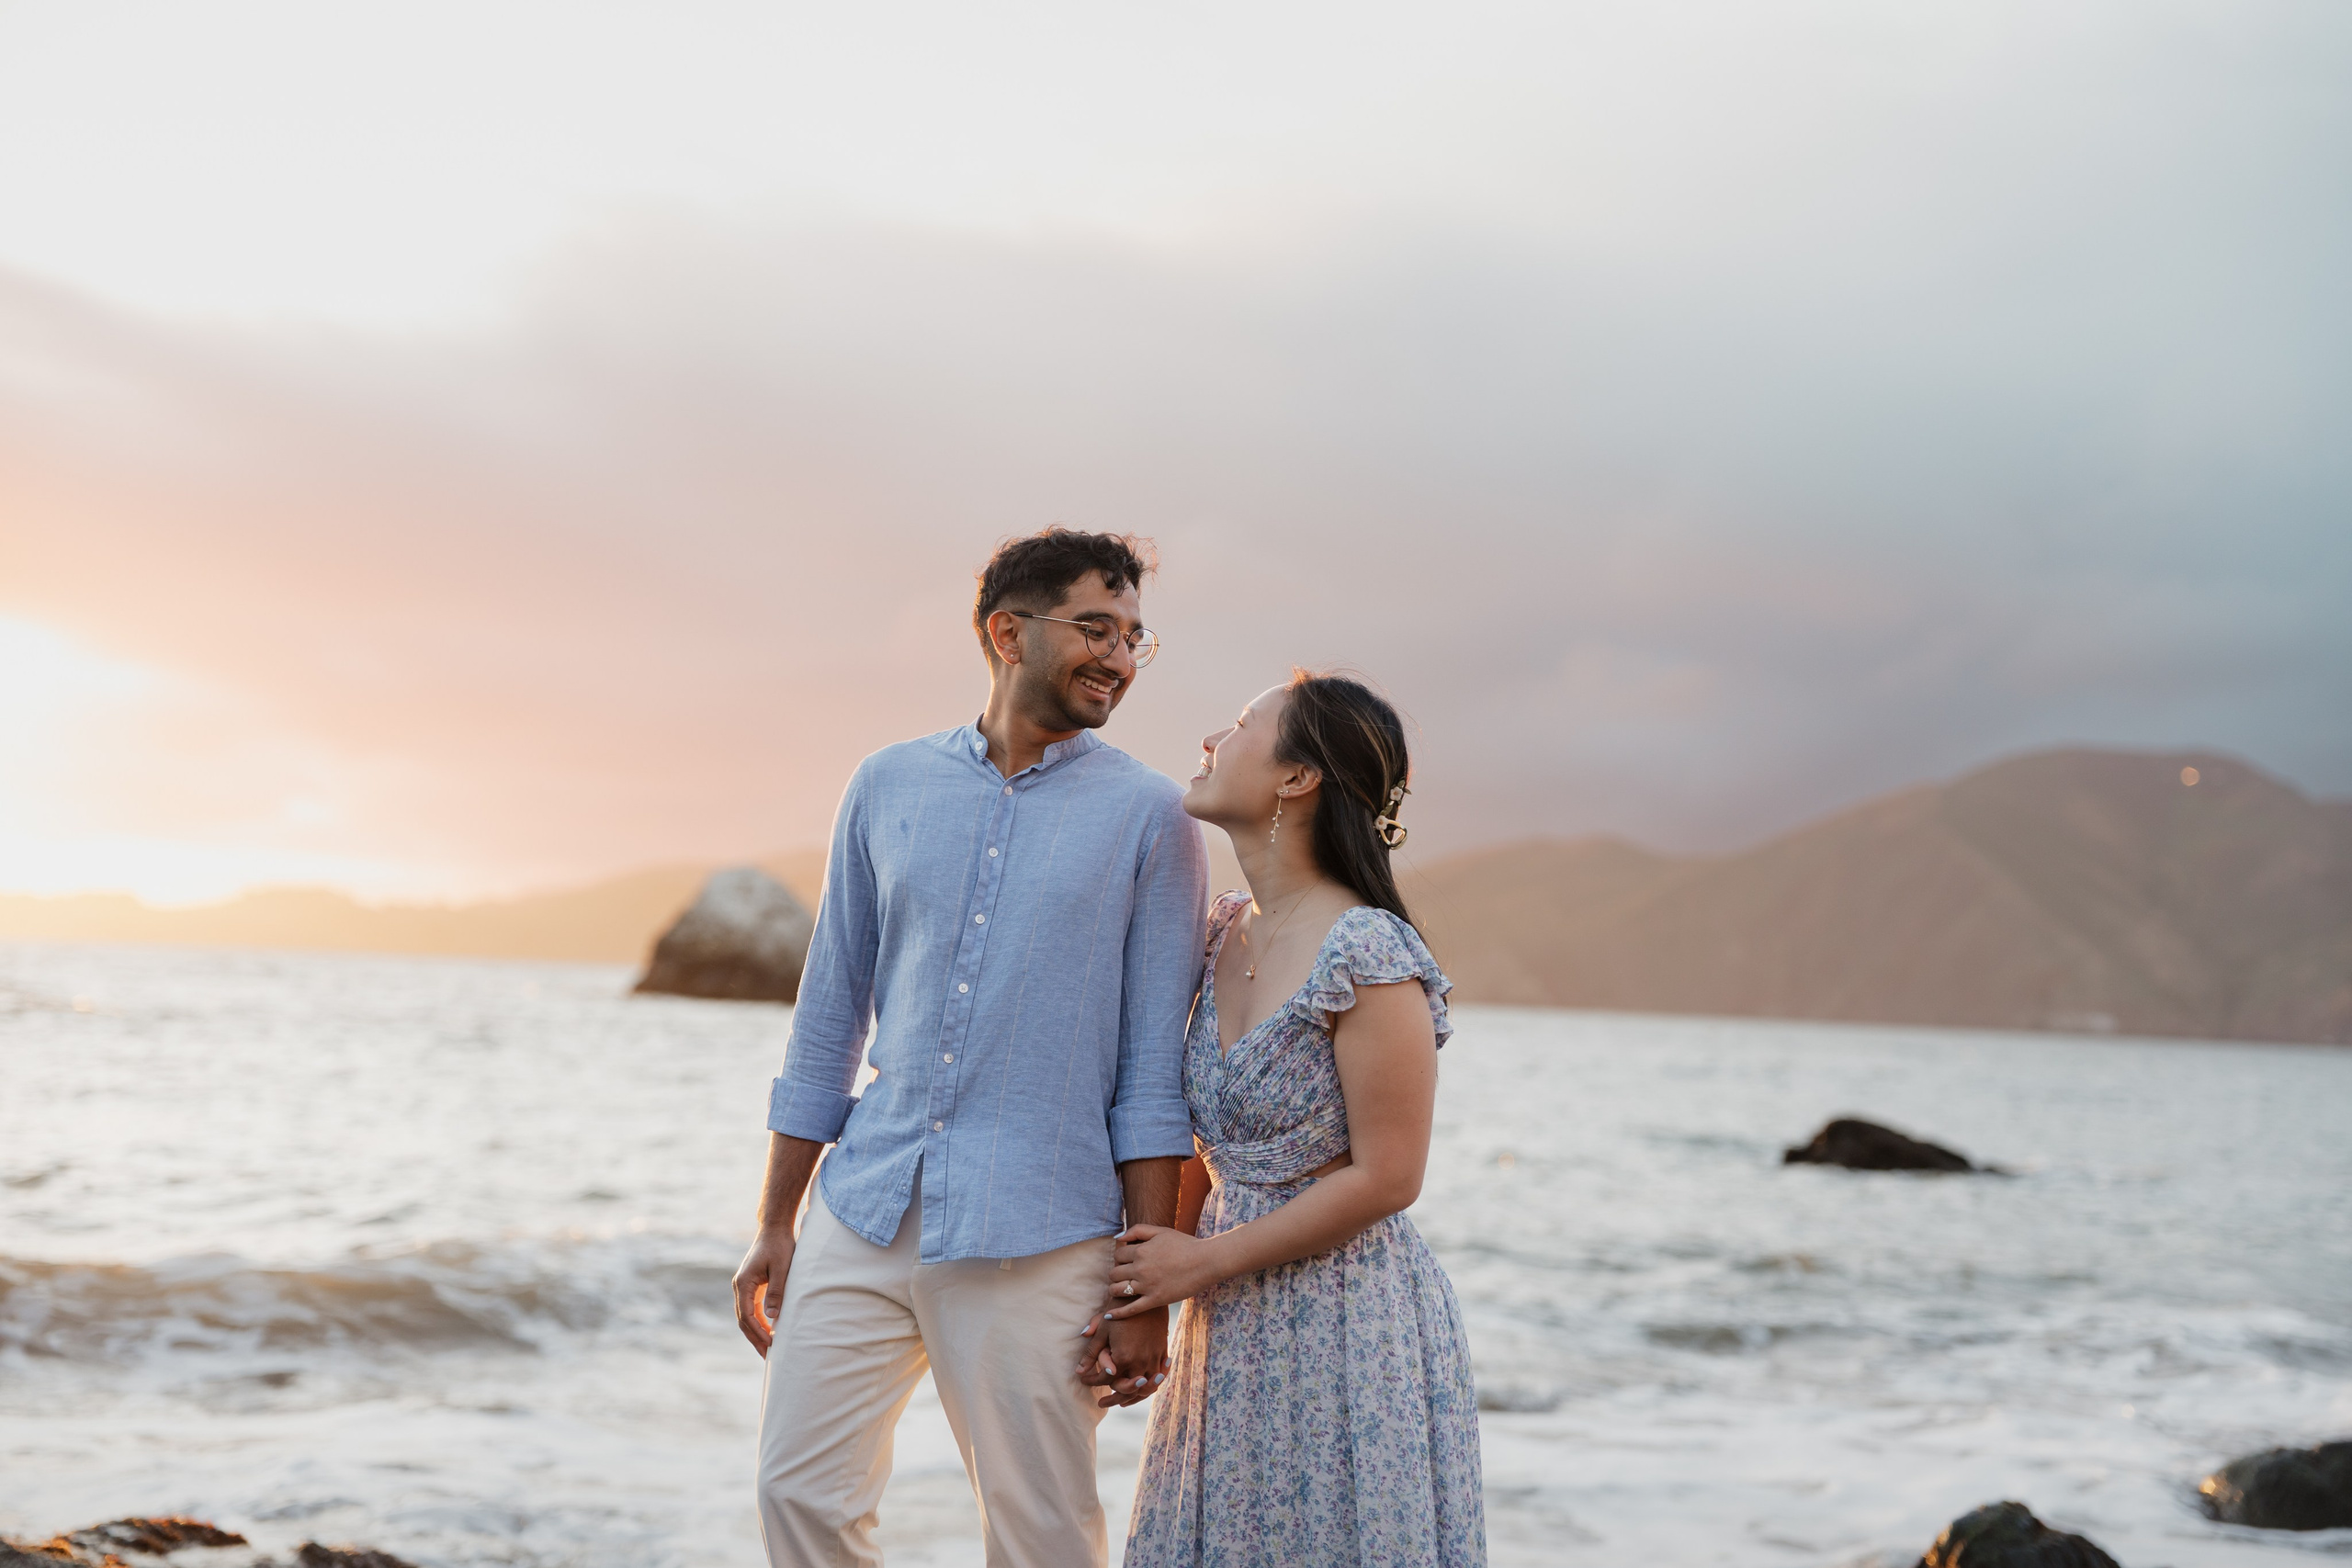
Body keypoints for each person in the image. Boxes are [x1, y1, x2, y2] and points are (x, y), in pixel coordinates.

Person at [730, 528, 1208, 1567]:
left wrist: (1137, 1290)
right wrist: (776, 1218)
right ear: (1007, 631)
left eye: (1135, 638)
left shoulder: (1153, 818)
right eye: (1096, 628)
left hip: (1040, 1230)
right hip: (866, 1200)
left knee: (1039, 1537)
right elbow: (826, 1020)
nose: (1120, 660)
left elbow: (1150, 1076)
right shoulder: (886, 785)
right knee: (797, 1495)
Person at [1104, 671, 1487, 1567]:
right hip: (1227, 1319)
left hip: (1347, 1318)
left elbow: (1390, 1177)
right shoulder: (1221, 931)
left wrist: (1201, 1262)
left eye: (1240, 725)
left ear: (1295, 778)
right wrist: (1146, 1289)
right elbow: (1203, 1140)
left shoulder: (1367, 949)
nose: (1209, 737)